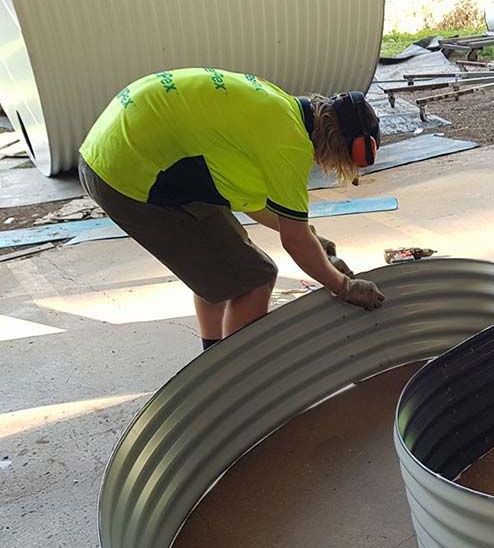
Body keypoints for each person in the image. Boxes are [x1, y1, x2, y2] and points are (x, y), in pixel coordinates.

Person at [78, 67, 386, 351]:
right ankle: (236, 378)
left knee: (221, 268)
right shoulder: (289, 144)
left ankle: (213, 359)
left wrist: (311, 238)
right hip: (126, 173)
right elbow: (294, 242)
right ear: (341, 144)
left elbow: (251, 202)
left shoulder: (282, 107)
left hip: (112, 150)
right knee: (254, 278)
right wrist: (344, 286)